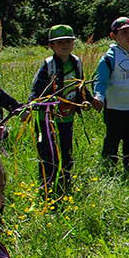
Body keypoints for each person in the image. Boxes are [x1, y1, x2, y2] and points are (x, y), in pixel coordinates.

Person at [27, 24, 88, 195]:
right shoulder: (48, 66)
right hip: (46, 120)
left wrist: (89, 100)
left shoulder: (76, 63)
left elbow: (80, 87)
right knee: (48, 153)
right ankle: (47, 186)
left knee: (66, 152)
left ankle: (64, 182)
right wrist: (29, 108)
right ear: (51, 45)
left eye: (68, 41)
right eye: (59, 42)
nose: (65, 45)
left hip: (67, 118)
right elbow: (36, 91)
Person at [92, 16, 129, 172]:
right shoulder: (109, 58)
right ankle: (108, 168)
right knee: (113, 139)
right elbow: (101, 81)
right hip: (116, 109)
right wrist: (98, 97)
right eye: (124, 32)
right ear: (114, 36)